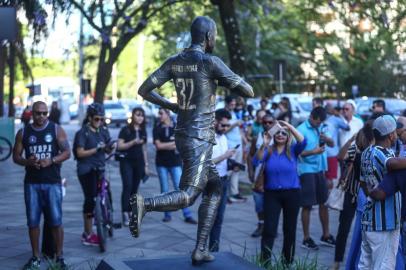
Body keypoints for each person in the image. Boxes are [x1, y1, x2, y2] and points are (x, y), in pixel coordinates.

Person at [130, 16, 254, 265]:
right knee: (188, 195)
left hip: (185, 133)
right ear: (209, 36)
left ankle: (200, 249)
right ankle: (146, 204)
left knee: (215, 187)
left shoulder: (175, 62)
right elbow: (248, 91)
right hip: (198, 136)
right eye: (215, 35)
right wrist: (223, 79)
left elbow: (144, 90)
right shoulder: (211, 63)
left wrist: (171, 106)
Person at [13, 101, 70, 269]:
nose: (41, 117)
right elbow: (16, 157)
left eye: (45, 113)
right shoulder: (23, 132)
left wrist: (51, 160)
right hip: (32, 183)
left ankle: (59, 257)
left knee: (56, 221)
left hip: (52, 182)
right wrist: (27, 161)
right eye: (38, 113)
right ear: (32, 113)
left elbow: (67, 152)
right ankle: (35, 257)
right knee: (32, 222)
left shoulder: (55, 129)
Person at [254, 120, 306, 265]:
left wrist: (289, 126)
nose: (281, 135)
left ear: (288, 136)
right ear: (273, 135)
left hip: (292, 194)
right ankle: (265, 262)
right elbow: (257, 160)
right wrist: (265, 143)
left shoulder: (294, 150)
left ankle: (287, 262)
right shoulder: (268, 150)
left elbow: (303, 140)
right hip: (272, 194)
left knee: (289, 230)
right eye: (278, 132)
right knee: (269, 229)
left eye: (284, 133)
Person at [358, 115, 405, 269]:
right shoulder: (381, 153)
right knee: (383, 266)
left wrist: (371, 194)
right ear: (391, 135)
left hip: (369, 219)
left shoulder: (366, 153)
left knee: (366, 265)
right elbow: (391, 164)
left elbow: (363, 183)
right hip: (384, 223)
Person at [333, 121, 373, 270]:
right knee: (344, 229)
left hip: (366, 197)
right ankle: (337, 262)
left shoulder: (374, 153)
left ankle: (356, 262)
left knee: (361, 233)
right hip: (351, 194)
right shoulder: (354, 150)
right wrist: (351, 140)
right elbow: (340, 156)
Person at [74, 103, 116, 247]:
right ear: (90, 118)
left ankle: (108, 216)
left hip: (100, 167)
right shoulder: (83, 133)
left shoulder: (103, 131)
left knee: (107, 192)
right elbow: (79, 153)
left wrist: (111, 148)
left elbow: (108, 149)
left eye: (102, 119)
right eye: (97, 119)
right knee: (90, 199)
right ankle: (87, 234)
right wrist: (96, 149)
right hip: (86, 169)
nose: (100, 122)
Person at [297, 106, 336, 250]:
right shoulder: (301, 130)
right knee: (307, 205)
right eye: (318, 122)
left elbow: (332, 144)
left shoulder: (322, 127)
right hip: (306, 170)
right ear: (312, 117)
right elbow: (297, 153)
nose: (319, 125)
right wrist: (314, 151)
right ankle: (306, 238)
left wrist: (327, 139)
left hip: (320, 169)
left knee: (323, 202)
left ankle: (326, 235)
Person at [153, 108, 197, 224]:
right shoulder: (157, 128)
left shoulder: (177, 127)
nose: (160, 115)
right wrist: (173, 144)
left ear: (168, 114)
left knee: (180, 189)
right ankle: (167, 214)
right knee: (165, 190)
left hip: (175, 162)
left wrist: (166, 145)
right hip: (161, 163)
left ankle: (187, 214)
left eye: (161, 113)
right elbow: (158, 146)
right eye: (159, 113)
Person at [208, 109, 236, 251]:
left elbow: (223, 161)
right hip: (211, 182)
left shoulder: (223, 138)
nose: (226, 128)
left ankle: (214, 250)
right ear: (215, 122)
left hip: (224, 180)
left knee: (219, 218)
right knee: (209, 219)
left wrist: (232, 163)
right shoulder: (208, 138)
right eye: (223, 125)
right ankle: (201, 249)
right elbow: (206, 163)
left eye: (227, 125)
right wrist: (225, 156)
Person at [117, 107, 148, 226]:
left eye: (142, 115)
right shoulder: (125, 130)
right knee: (127, 186)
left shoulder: (143, 130)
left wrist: (146, 165)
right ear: (133, 116)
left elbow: (144, 149)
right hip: (126, 162)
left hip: (139, 162)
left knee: (135, 188)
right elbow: (119, 146)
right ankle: (125, 212)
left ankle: (131, 211)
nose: (140, 117)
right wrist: (132, 142)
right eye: (137, 115)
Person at [248, 113, 275, 238]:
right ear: (261, 123)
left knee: (272, 202)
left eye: (270, 122)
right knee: (258, 202)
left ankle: (270, 226)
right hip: (259, 174)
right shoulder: (257, 137)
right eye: (265, 122)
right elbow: (250, 155)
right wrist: (251, 172)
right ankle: (261, 224)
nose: (268, 125)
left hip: (274, 175)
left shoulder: (280, 136)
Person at [224, 95, 247, 202]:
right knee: (229, 169)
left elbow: (238, 129)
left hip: (238, 144)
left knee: (236, 169)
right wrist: (234, 125)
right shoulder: (223, 114)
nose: (233, 106)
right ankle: (225, 193)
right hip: (230, 145)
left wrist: (244, 138)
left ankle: (234, 192)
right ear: (227, 103)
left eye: (234, 104)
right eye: (231, 104)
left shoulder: (233, 113)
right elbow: (224, 130)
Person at [325, 103, 350, 186]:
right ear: (333, 111)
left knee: (325, 177)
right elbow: (347, 127)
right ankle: (329, 198)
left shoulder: (322, 119)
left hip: (321, 153)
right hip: (332, 153)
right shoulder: (335, 119)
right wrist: (340, 116)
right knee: (330, 178)